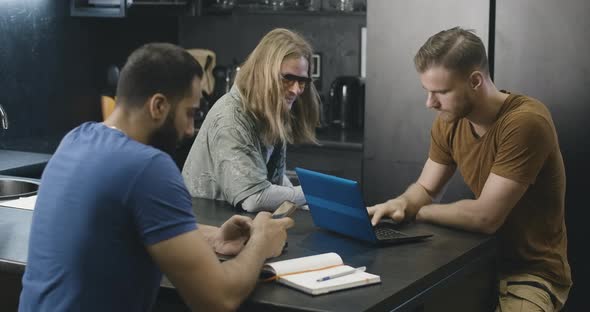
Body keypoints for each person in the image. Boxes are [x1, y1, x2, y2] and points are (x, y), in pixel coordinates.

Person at [19, 43, 293, 312]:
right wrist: (260, 243)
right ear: (158, 106)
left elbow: (125, 224)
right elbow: (218, 299)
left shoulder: (77, 139)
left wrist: (213, 238)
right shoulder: (148, 167)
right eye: (190, 113)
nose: (189, 129)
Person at [368, 27, 571, 311]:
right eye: (427, 91)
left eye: (441, 92)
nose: (430, 103)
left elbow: (486, 217)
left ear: (475, 80)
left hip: (530, 273)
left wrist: (418, 211)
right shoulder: (449, 119)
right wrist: (401, 202)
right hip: (472, 260)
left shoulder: (526, 122)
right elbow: (426, 188)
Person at [182, 28, 320, 212]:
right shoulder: (230, 116)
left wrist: (319, 205)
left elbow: (272, 181)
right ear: (264, 73)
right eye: (287, 78)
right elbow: (254, 198)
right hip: (205, 228)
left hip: (234, 224)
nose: (295, 90)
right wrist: (317, 194)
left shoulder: (272, 108)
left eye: (301, 81)